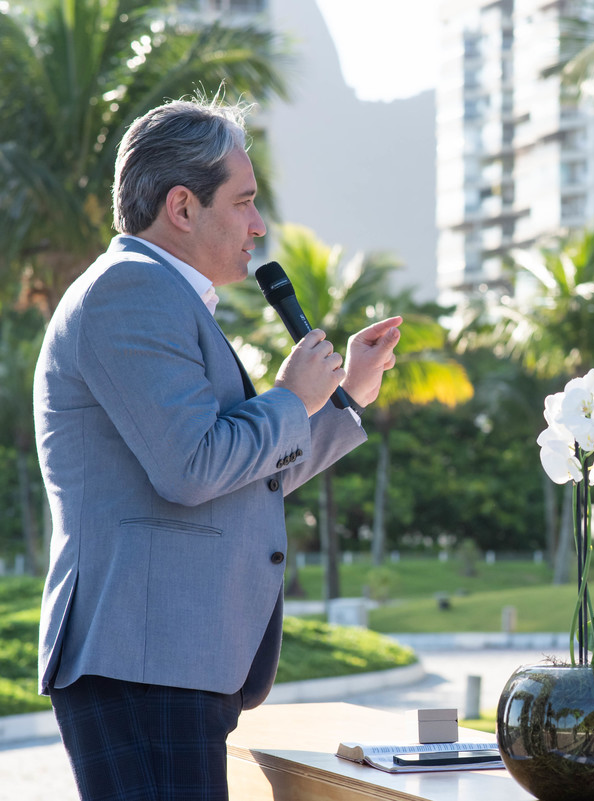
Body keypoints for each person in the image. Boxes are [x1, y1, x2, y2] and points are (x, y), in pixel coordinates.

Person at [34, 97, 404, 800]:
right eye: (244, 202)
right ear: (182, 207)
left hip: (164, 660)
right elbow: (194, 466)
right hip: (142, 659)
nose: (259, 225)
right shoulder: (129, 292)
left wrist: (344, 394)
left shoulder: (161, 297)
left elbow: (244, 477)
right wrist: (292, 398)